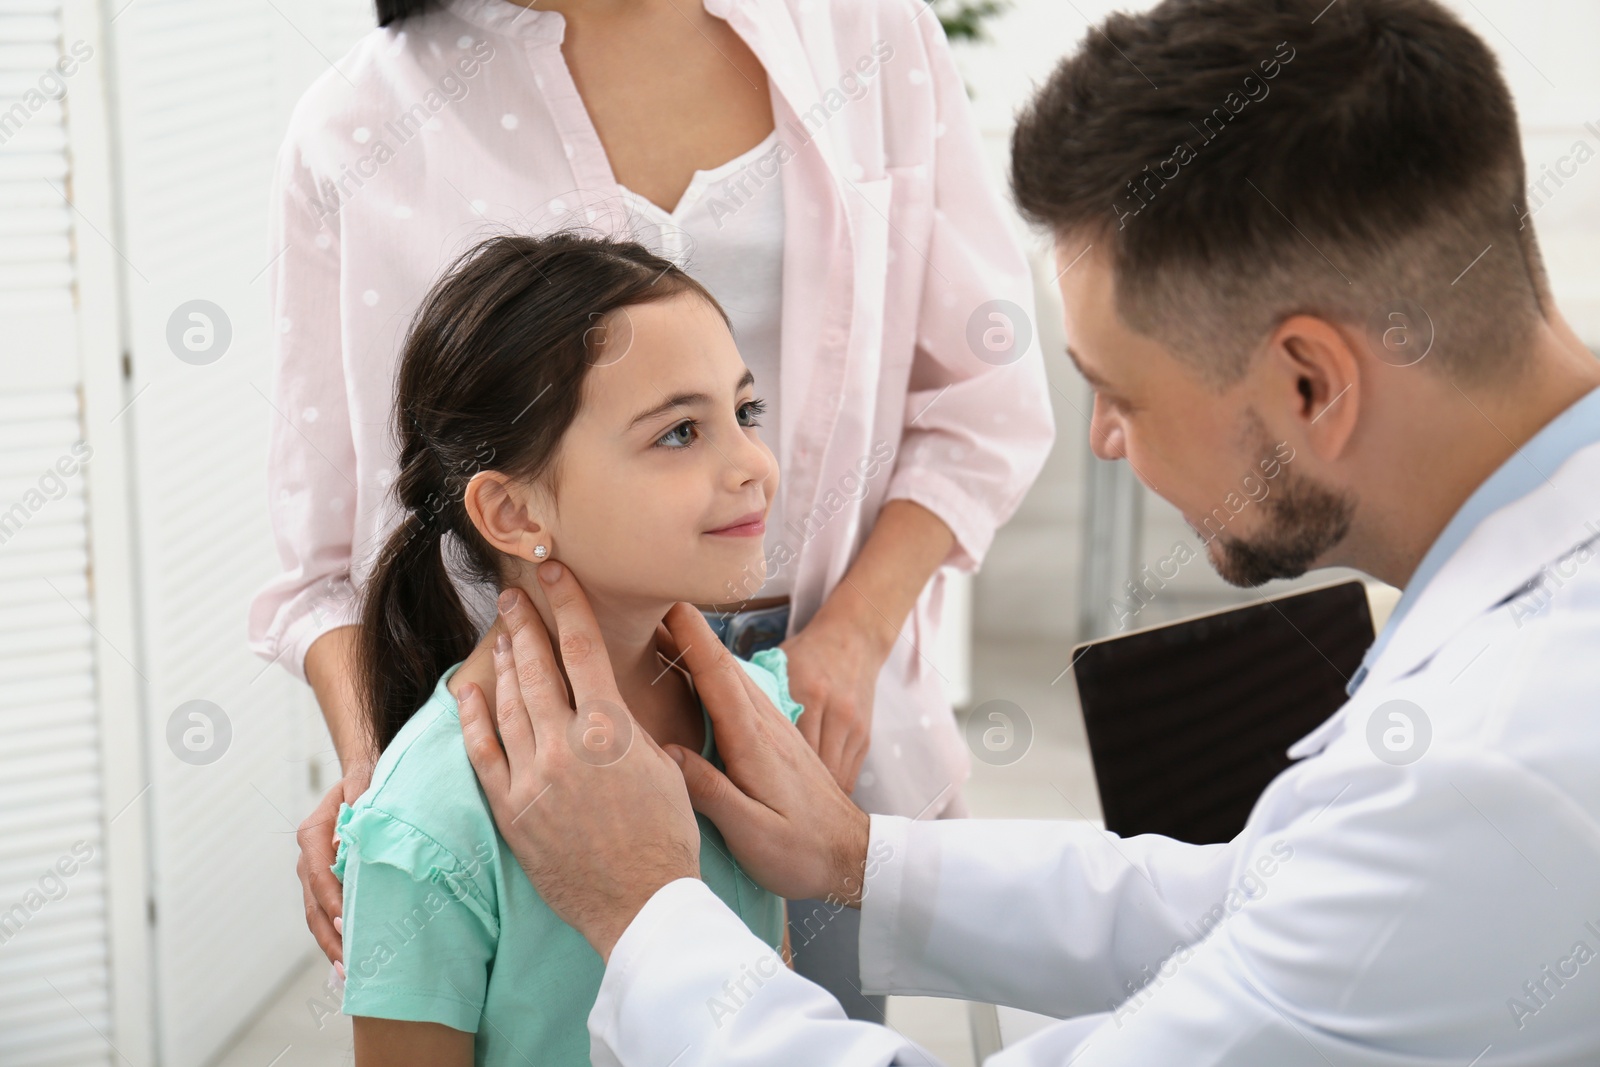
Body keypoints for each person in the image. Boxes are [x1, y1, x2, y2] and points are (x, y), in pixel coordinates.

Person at [451, 0, 1600, 1062]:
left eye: (1121, 392)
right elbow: (1262, 899)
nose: (1102, 437)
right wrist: (857, 859)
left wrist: (647, 912)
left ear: (1309, 384)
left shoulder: (1488, 769)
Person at [247, 0, 1055, 1017]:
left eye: (745, 412)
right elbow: (325, 559)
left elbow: (980, 403)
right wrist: (386, 774)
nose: (745, 462)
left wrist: (847, 643)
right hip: (523, 748)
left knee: (809, 1035)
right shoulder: (357, 123)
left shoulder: (864, 32)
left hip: (810, 723)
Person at [333, 231, 815, 1064]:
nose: (754, 465)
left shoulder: (755, 719)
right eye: (678, 433)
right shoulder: (431, 822)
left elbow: (763, 1010)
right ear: (515, 514)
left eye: (744, 413)